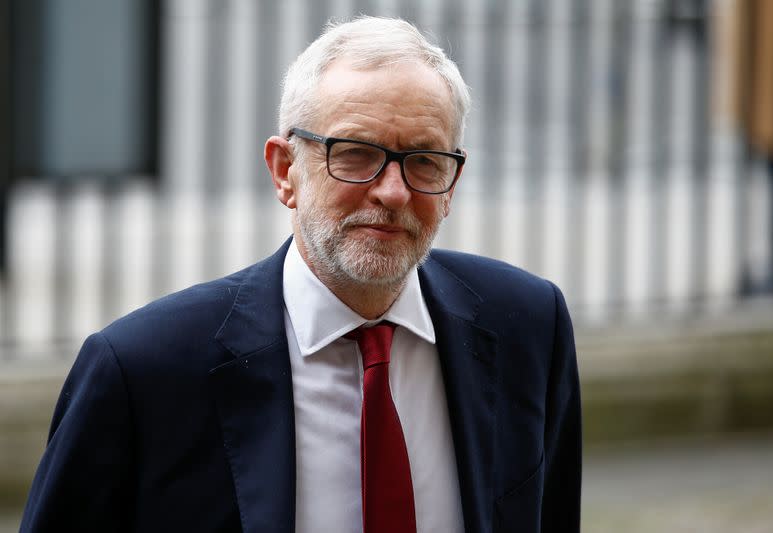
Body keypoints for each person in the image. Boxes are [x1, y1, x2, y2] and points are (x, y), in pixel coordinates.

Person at [20, 16, 581, 533]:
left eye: (424, 161)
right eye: (356, 154)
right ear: (285, 170)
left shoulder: (528, 326)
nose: (393, 191)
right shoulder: (144, 370)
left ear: (452, 184)